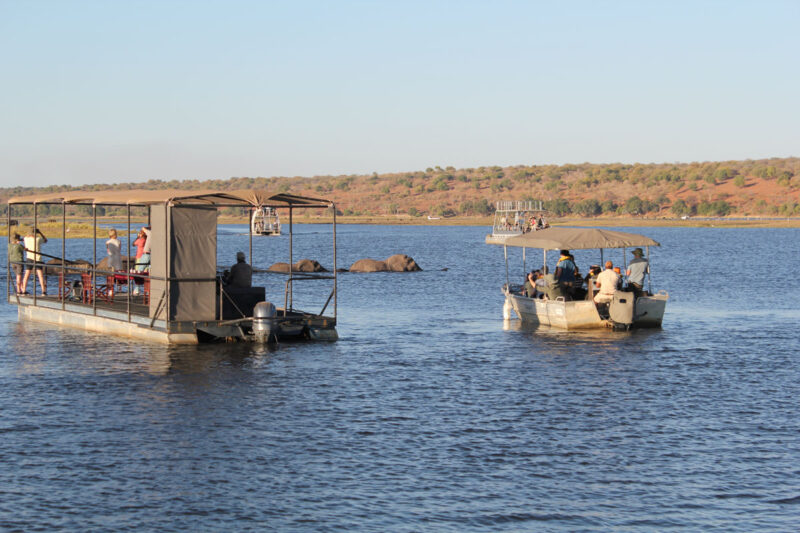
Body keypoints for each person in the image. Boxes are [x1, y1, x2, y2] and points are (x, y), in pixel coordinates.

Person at [22, 228, 48, 295]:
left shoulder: (25, 239)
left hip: (29, 258)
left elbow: (24, 237)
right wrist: (40, 233)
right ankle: (43, 291)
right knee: (40, 276)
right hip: (37, 259)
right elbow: (45, 240)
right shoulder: (38, 239)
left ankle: (23, 290)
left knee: (26, 275)